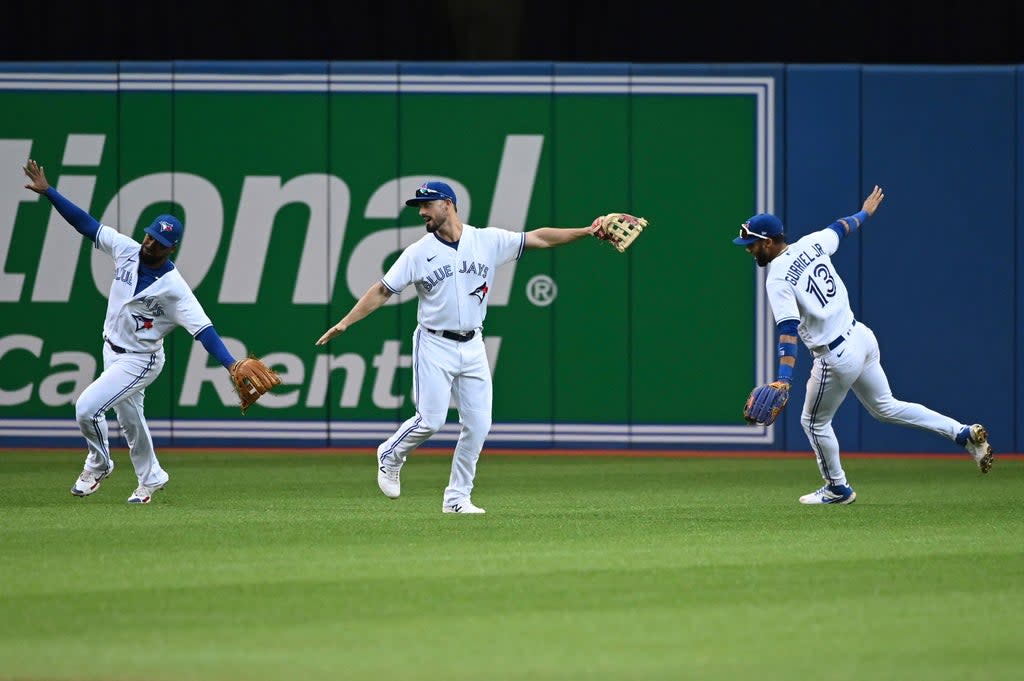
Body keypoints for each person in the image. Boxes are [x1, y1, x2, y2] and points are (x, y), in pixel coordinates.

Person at [316, 180, 606, 513]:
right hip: (434, 343)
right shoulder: (418, 252)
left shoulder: (487, 241)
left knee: (479, 425)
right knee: (430, 421)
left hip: (473, 343)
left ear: (448, 205)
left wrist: (587, 231)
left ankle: (457, 498)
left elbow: (538, 237)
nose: (422, 212)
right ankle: (390, 454)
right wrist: (345, 322)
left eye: (427, 204)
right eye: (419, 206)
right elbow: (383, 290)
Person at [733, 185, 994, 504]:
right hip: (861, 337)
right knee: (887, 406)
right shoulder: (812, 243)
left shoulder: (777, 277)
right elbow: (840, 227)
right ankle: (962, 433)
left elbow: (788, 330)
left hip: (835, 356)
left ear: (769, 242)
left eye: (752, 243)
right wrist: (865, 212)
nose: (748, 249)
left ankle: (837, 488)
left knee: (813, 422)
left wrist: (785, 378)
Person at [23, 159, 246, 504]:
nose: (149, 244)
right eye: (149, 236)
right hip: (111, 349)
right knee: (130, 420)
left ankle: (98, 465)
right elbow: (87, 225)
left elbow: (204, 331)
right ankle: (152, 477)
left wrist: (231, 364)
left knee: (87, 408)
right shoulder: (128, 250)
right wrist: (49, 192)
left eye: (158, 243)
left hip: (141, 359)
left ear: (171, 249)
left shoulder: (175, 289)